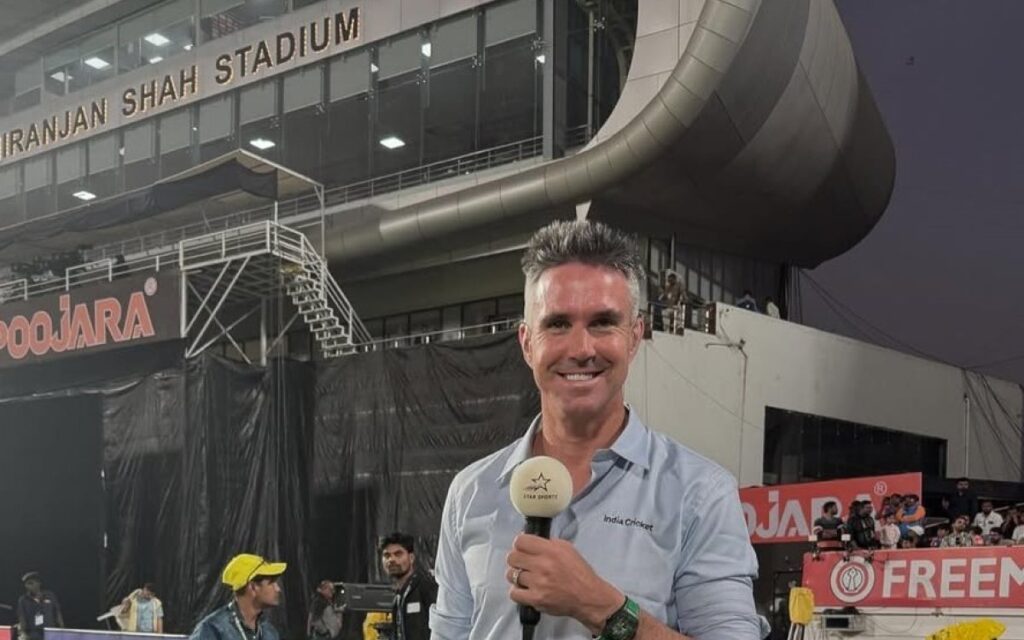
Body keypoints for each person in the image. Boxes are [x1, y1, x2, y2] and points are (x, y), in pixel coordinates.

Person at [430, 220, 765, 640]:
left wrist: (603, 607)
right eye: (557, 324)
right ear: (527, 342)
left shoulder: (700, 494)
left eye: (603, 322)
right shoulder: (470, 493)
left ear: (635, 337)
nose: (581, 349)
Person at [189, 553, 286, 640]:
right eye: (271, 582)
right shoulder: (212, 629)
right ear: (253, 587)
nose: (277, 589)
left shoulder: (268, 632)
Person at [380, 533, 436, 640]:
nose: (391, 559)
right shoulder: (398, 597)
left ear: (411, 558)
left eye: (398, 554)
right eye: (387, 555)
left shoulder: (426, 586)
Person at [17, 573, 63, 640]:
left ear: (39, 583)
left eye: (31, 583)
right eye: (26, 584)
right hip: (33, 633)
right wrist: (23, 632)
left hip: (50, 632)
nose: (27, 586)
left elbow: (57, 612)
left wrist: (62, 629)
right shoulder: (23, 600)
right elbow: (22, 617)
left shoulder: (50, 595)